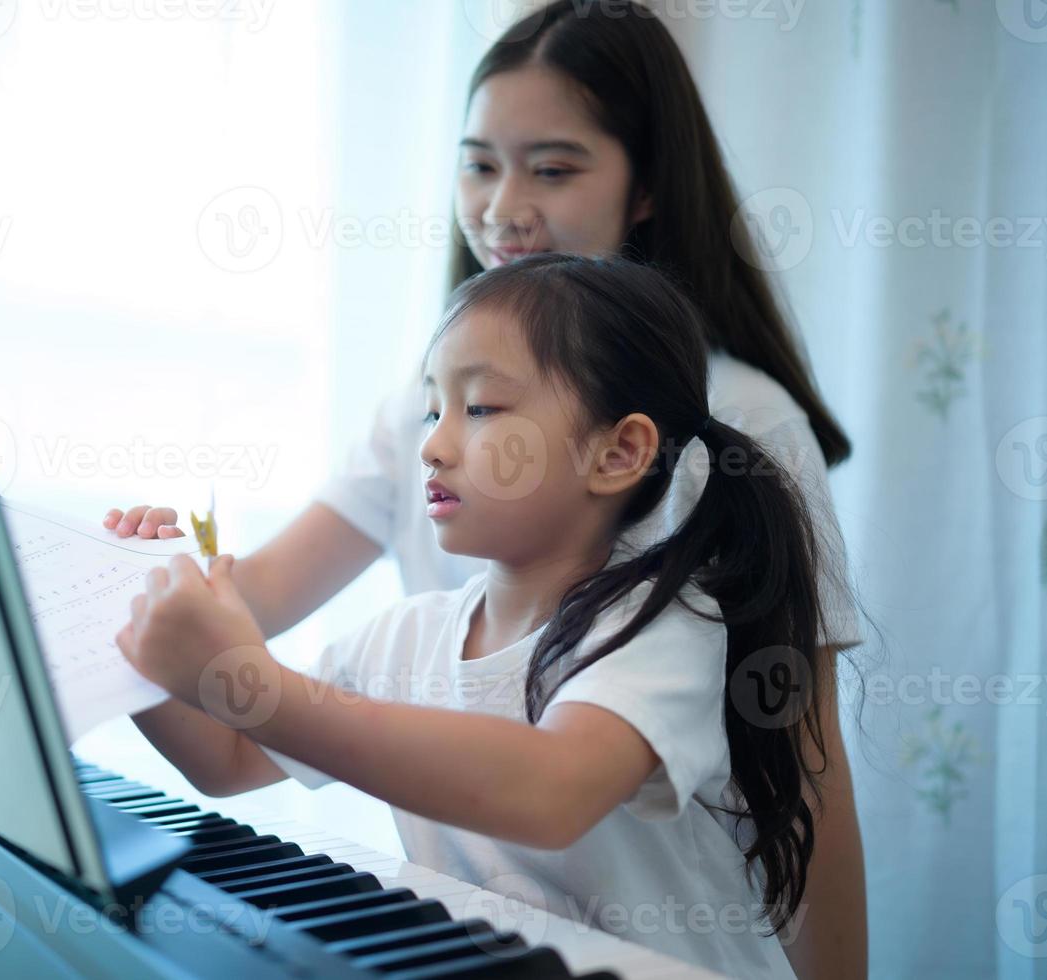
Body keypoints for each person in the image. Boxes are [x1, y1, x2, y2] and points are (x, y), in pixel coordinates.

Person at [107, 5, 865, 977]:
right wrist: (129, 609)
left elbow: (801, 756)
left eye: (552, 168)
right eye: (478, 163)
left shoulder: (669, 603)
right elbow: (227, 724)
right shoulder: (407, 626)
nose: (504, 206)